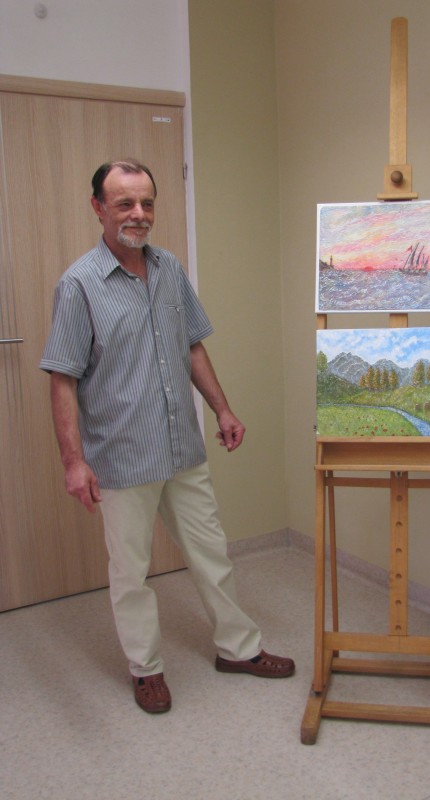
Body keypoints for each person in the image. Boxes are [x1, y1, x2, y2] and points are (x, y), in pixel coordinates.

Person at [40, 159, 294, 714]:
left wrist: (222, 409)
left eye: (147, 202)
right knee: (131, 574)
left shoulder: (170, 268)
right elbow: (63, 378)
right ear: (98, 208)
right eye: (125, 203)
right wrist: (73, 462)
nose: (139, 213)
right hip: (122, 457)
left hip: (182, 448)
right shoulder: (79, 285)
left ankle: (238, 648)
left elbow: (191, 345)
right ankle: (146, 670)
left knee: (212, 553)